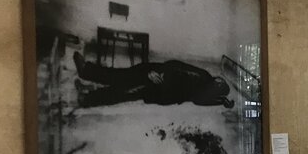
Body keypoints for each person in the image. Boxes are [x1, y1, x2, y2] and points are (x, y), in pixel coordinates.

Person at [73, 52, 234, 108]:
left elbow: (177, 64)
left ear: (217, 84)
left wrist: (155, 72)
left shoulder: (204, 79)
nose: (220, 79)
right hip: (160, 84)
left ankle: (87, 82)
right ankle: (87, 90)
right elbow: (177, 65)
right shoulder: (203, 92)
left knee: (122, 86)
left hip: (157, 82)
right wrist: (221, 101)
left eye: (220, 82)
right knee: (123, 86)